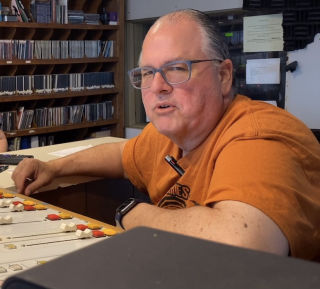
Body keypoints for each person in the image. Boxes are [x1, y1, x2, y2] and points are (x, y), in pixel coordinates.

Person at [12, 9, 320, 261]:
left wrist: (135, 215)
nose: (157, 86)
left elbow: (244, 245)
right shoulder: (170, 133)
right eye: (147, 73)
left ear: (224, 76)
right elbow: (121, 155)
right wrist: (54, 168)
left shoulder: (256, 135)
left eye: (176, 68)